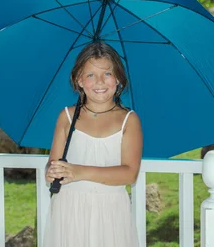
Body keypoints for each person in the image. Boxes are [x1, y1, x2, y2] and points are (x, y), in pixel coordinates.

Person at [42, 41, 143, 247]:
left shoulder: (128, 120)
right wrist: (51, 171)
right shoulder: (67, 117)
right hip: (69, 210)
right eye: (90, 75)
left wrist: (79, 171)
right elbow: (53, 162)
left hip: (111, 212)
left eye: (107, 74)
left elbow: (129, 173)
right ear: (79, 80)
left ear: (118, 80)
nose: (99, 82)